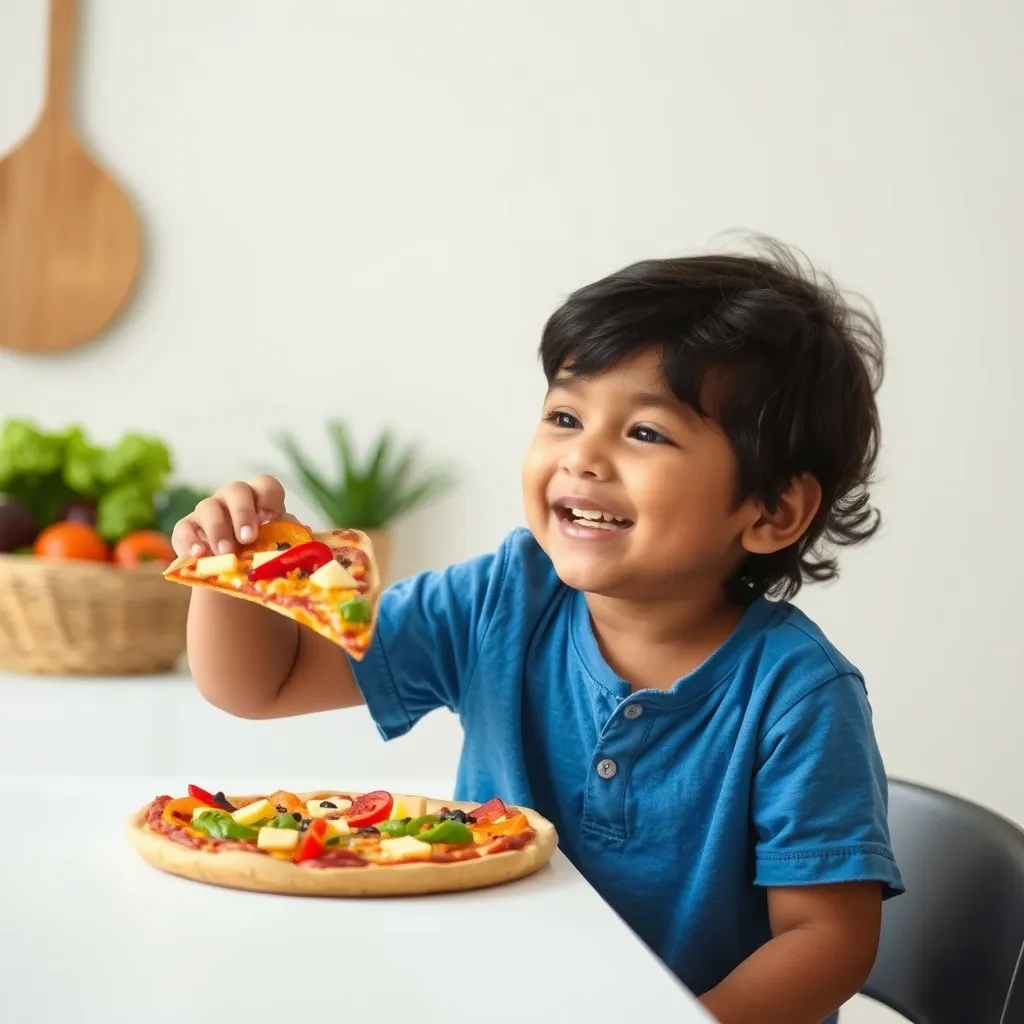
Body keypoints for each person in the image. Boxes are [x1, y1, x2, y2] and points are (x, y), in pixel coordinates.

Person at [173, 236, 903, 1024]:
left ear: (772, 511)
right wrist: (232, 570)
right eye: (564, 415)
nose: (582, 456)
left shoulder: (796, 693)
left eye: (646, 433)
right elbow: (260, 685)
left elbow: (827, 939)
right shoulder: (502, 599)